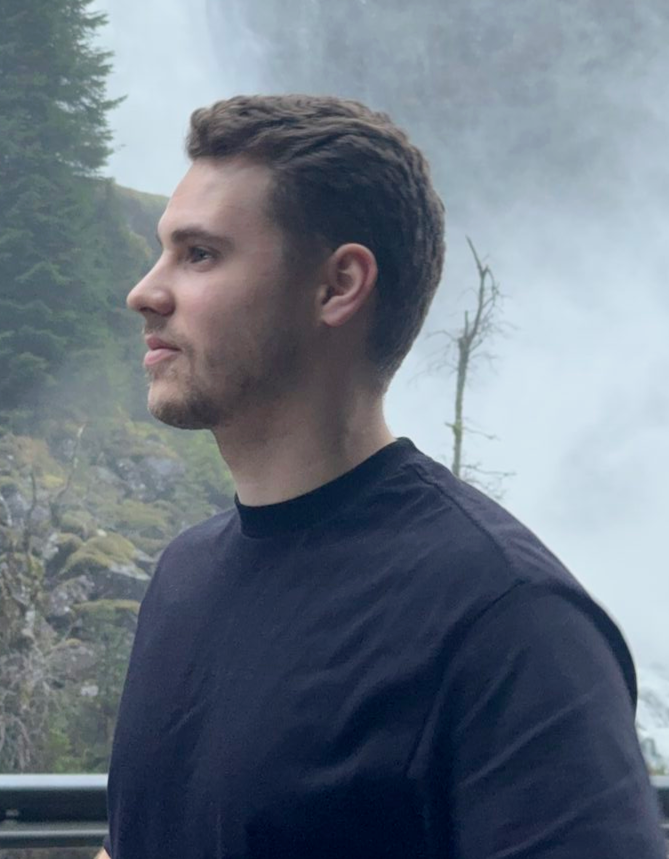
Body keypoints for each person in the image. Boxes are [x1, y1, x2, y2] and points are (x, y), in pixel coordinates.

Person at [98, 95, 665, 858]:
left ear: (338, 285)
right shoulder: (183, 575)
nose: (144, 291)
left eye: (199, 254)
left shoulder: (509, 621)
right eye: (164, 251)